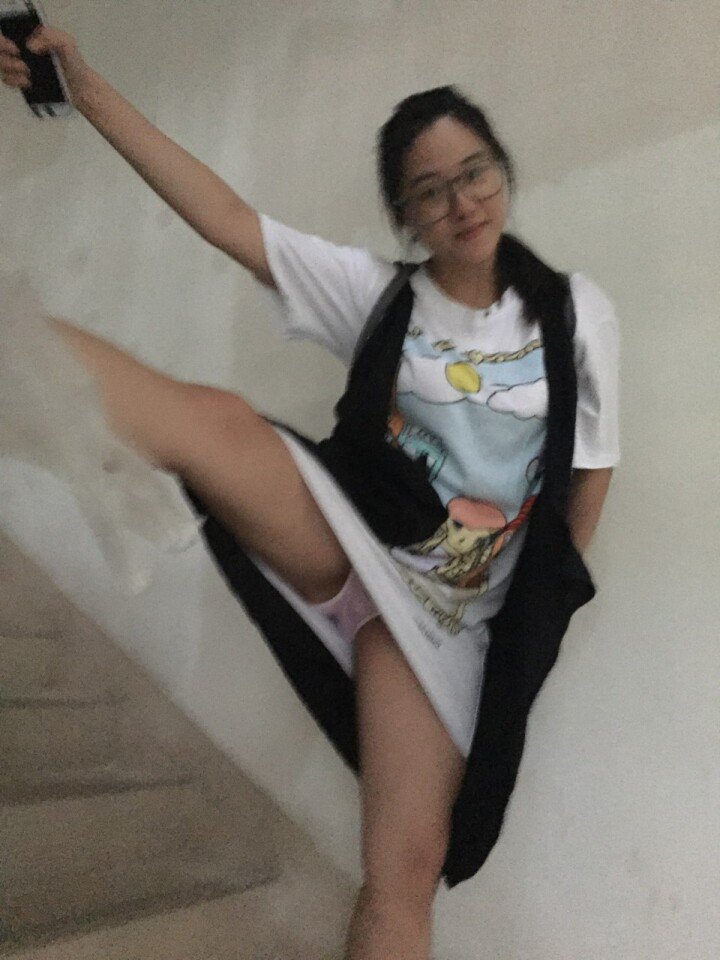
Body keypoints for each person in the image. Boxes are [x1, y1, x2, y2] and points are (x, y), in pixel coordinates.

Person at [1, 24, 619, 960]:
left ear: (502, 171)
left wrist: (537, 618)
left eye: (475, 173)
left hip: (455, 624)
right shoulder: (377, 294)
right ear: (405, 215)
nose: (461, 202)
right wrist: (83, 90)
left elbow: (590, 471)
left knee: (402, 874)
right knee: (213, 422)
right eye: (431, 189)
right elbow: (224, 217)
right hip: (365, 538)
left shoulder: (576, 312)